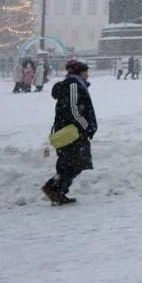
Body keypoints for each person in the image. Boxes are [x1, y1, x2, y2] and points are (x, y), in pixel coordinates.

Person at [41, 59, 97, 206]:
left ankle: (57, 190)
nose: (87, 75)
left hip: (72, 129)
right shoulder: (73, 84)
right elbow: (73, 109)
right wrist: (85, 126)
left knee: (71, 162)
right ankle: (55, 188)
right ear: (79, 72)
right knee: (75, 162)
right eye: (86, 72)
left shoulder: (76, 84)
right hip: (73, 131)